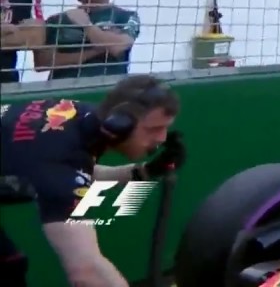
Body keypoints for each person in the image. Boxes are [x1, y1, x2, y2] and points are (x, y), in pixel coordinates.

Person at [0, 74, 186, 287]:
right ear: (120, 125)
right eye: (153, 129)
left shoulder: (78, 118)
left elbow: (77, 170)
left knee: (9, 267)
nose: (162, 138)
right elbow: (86, 272)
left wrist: (144, 171)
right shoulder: (57, 163)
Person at [33, 0, 141, 80]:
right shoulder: (59, 19)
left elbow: (118, 47)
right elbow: (42, 63)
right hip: (62, 91)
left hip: (107, 91)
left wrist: (86, 25)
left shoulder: (125, 16)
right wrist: (97, 49)